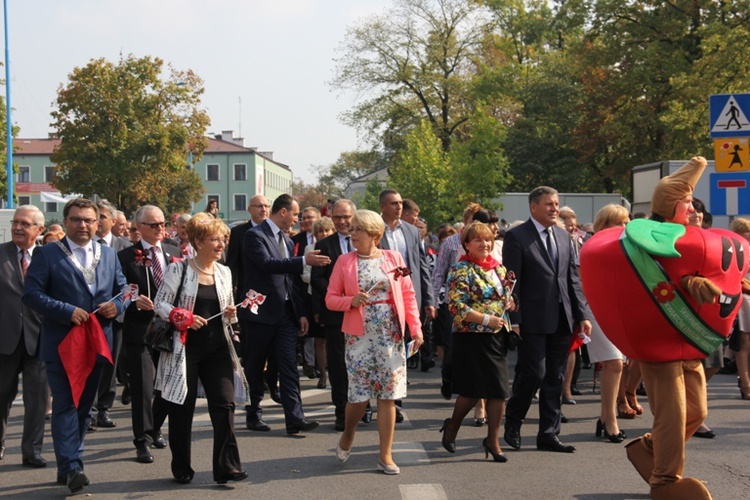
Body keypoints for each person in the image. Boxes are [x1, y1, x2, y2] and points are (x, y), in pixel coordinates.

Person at [23, 197, 127, 494]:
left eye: (89, 220)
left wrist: (116, 307)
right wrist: (66, 310)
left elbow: (124, 291)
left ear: (98, 223)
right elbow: (31, 295)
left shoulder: (108, 254)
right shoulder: (48, 254)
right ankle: (72, 466)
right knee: (66, 403)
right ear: (66, 222)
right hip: (63, 343)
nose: (83, 225)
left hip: (97, 341)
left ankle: (68, 463)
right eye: (77, 219)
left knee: (84, 406)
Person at [153, 213, 249, 485]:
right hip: (185, 350)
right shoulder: (179, 269)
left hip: (218, 349)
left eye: (223, 239)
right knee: (181, 410)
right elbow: (161, 305)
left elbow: (229, 317)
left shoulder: (224, 271)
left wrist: (231, 313)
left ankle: (227, 467)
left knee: (225, 406)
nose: (221, 244)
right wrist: (183, 317)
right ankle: (181, 466)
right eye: (214, 239)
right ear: (197, 242)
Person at [326, 209, 423, 475]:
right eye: (352, 229)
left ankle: (385, 455)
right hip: (358, 336)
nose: (353, 233)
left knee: (388, 396)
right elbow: (330, 299)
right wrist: (350, 301)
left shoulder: (394, 258)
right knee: (358, 397)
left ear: (374, 234)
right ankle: (348, 433)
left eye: (359, 229)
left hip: (389, 335)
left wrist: (416, 328)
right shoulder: (345, 261)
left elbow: (408, 294)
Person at [502, 186, 592, 454]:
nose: (554, 209)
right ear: (533, 207)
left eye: (556, 204)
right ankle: (513, 421)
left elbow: (572, 279)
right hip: (531, 318)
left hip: (562, 317)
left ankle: (549, 434)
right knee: (533, 372)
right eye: (549, 204)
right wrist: (514, 318)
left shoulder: (565, 237)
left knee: (555, 375)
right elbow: (511, 282)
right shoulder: (518, 237)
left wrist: (582, 314)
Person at [240, 193, 330, 434]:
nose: (297, 219)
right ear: (283, 212)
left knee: (289, 365)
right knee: (255, 364)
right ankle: (253, 412)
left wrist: (300, 312)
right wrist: (304, 260)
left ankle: (294, 418)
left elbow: (291, 281)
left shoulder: (288, 242)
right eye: (295, 214)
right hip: (260, 313)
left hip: (286, 314)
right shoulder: (254, 235)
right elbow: (268, 264)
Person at [439, 222, 516, 462]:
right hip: (471, 337)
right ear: (467, 244)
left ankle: (493, 440)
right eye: (478, 240)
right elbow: (455, 305)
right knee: (472, 392)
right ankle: (452, 426)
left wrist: (511, 305)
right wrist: (484, 319)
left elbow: (505, 299)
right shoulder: (461, 269)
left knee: (499, 391)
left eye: (488, 240)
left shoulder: (500, 269)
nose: (485, 244)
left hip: (497, 336)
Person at [118, 205, 181, 464]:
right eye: (153, 225)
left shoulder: (174, 252)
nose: (159, 229)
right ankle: (142, 440)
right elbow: (119, 288)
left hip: (169, 329)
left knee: (169, 383)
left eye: (162, 224)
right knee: (144, 386)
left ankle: (155, 426)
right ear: (139, 227)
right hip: (140, 329)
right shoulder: (125, 256)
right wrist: (133, 300)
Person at [0, 206, 48, 468]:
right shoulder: (0, 254)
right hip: (4, 339)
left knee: (38, 401)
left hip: (39, 339)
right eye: (16, 222)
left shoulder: (48, 257)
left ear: (39, 230)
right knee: (1, 396)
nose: (18, 227)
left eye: (25, 224)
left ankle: (32, 450)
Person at [378, 189, 435, 382]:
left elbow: (422, 264)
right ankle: (389, 377)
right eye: (394, 203)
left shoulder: (411, 231)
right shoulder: (374, 229)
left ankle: (398, 377)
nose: (399, 206)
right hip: (383, 295)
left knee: (405, 337)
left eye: (401, 202)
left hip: (409, 293)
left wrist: (429, 298)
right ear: (383, 206)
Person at [311, 199, 357, 431]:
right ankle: (341, 411)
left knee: (359, 362)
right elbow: (316, 279)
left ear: (354, 216)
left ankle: (361, 407)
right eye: (337, 217)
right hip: (336, 314)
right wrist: (339, 289)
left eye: (345, 217)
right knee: (338, 364)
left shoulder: (365, 242)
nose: (341, 222)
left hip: (363, 313)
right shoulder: (324, 244)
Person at [586, 204, 630, 442]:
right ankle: (610, 419)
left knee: (619, 364)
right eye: (618, 222)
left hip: (620, 309)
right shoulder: (591, 247)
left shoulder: (629, 247)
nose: (623, 227)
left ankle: (605, 417)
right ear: (603, 225)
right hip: (595, 309)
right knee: (614, 363)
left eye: (626, 222)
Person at [92, 200, 132, 430]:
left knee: (110, 364)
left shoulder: (125, 247)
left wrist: (118, 306)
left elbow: (129, 286)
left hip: (115, 317)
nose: (97, 221)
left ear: (113, 220)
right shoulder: (80, 246)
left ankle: (104, 408)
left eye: (102, 216)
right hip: (86, 316)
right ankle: (88, 409)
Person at [301, 216, 335, 389]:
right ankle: (322, 374)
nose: (324, 233)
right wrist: (317, 276)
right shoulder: (310, 248)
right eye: (320, 231)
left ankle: (335, 371)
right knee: (319, 339)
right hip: (314, 295)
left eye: (327, 230)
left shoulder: (337, 247)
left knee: (335, 339)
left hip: (336, 298)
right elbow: (305, 274)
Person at [293, 207, 321, 378]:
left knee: (320, 331)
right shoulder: (296, 240)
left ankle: (320, 365)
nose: (308, 220)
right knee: (307, 327)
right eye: (304, 218)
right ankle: (309, 362)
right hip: (303, 288)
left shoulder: (327, 237)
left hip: (322, 290)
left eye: (311, 217)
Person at [730, 217, 750, 401]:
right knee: (744, 341)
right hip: (743, 298)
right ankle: (745, 383)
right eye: (746, 231)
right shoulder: (734, 251)